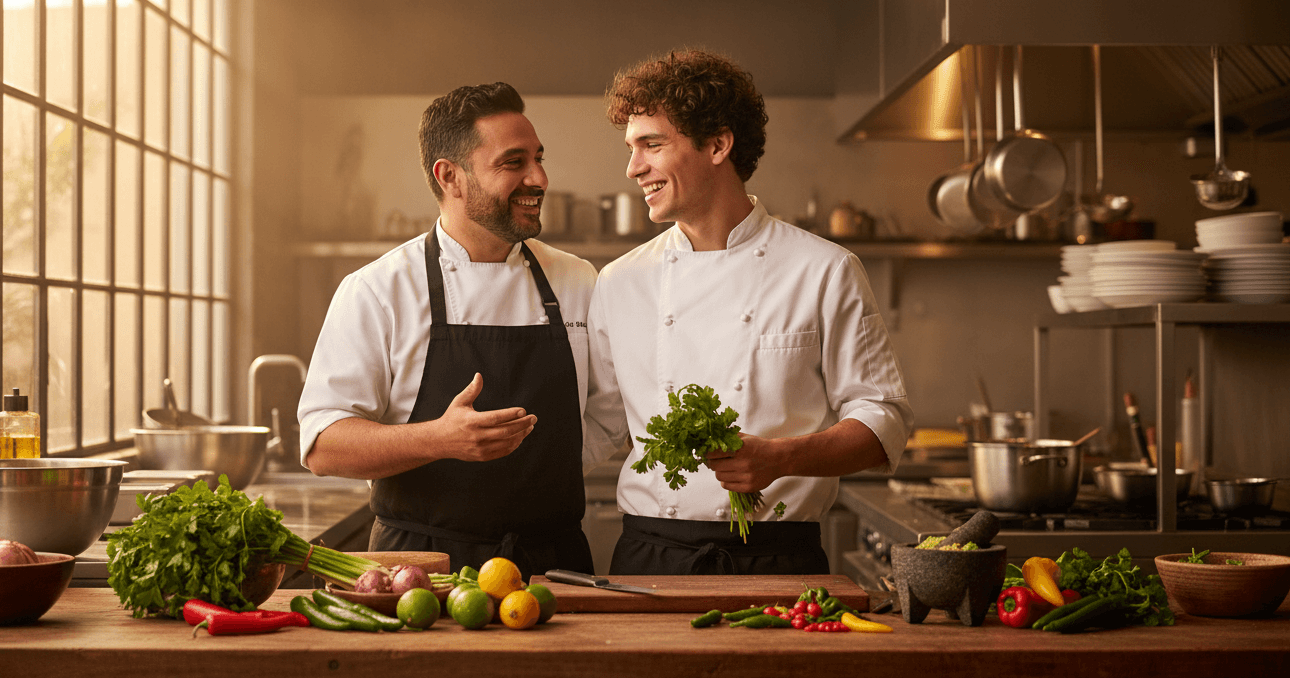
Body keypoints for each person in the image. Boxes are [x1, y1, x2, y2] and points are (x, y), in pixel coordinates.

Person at [583, 50, 915, 575]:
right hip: (651, 558)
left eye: (651, 144)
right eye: (631, 147)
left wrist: (782, 459)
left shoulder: (824, 270)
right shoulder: (620, 281)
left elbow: (884, 422)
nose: (633, 168)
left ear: (717, 144)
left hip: (779, 558)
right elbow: (599, 426)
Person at [298, 82, 598, 580]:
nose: (540, 178)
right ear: (450, 176)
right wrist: (438, 439)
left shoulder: (578, 281)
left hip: (554, 567)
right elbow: (322, 446)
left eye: (539, 159)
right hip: (419, 569)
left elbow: (605, 419)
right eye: (513, 162)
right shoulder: (378, 290)